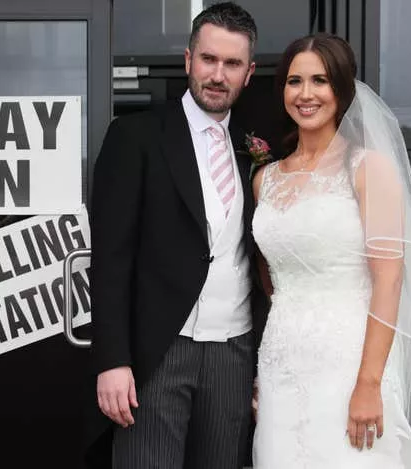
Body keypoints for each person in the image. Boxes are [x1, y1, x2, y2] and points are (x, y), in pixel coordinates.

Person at [251, 33, 411, 468]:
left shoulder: (368, 168)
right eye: (295, 81)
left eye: (320, 80)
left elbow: (389, 278)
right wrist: (266, 369)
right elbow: (271, 276)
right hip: (281, 364)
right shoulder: (266, 179)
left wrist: (369, 383)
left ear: (341, 88)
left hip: (352, 363)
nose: (306, 93)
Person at [84, 3, 268, 468]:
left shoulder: (256, 148)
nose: (218, 74)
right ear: (188, 60)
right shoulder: (135, 136)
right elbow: (110, 258)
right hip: (158, 350)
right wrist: (112, 360)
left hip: (234, 351)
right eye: (208, 59)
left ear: (249, 73)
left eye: (232, 64)